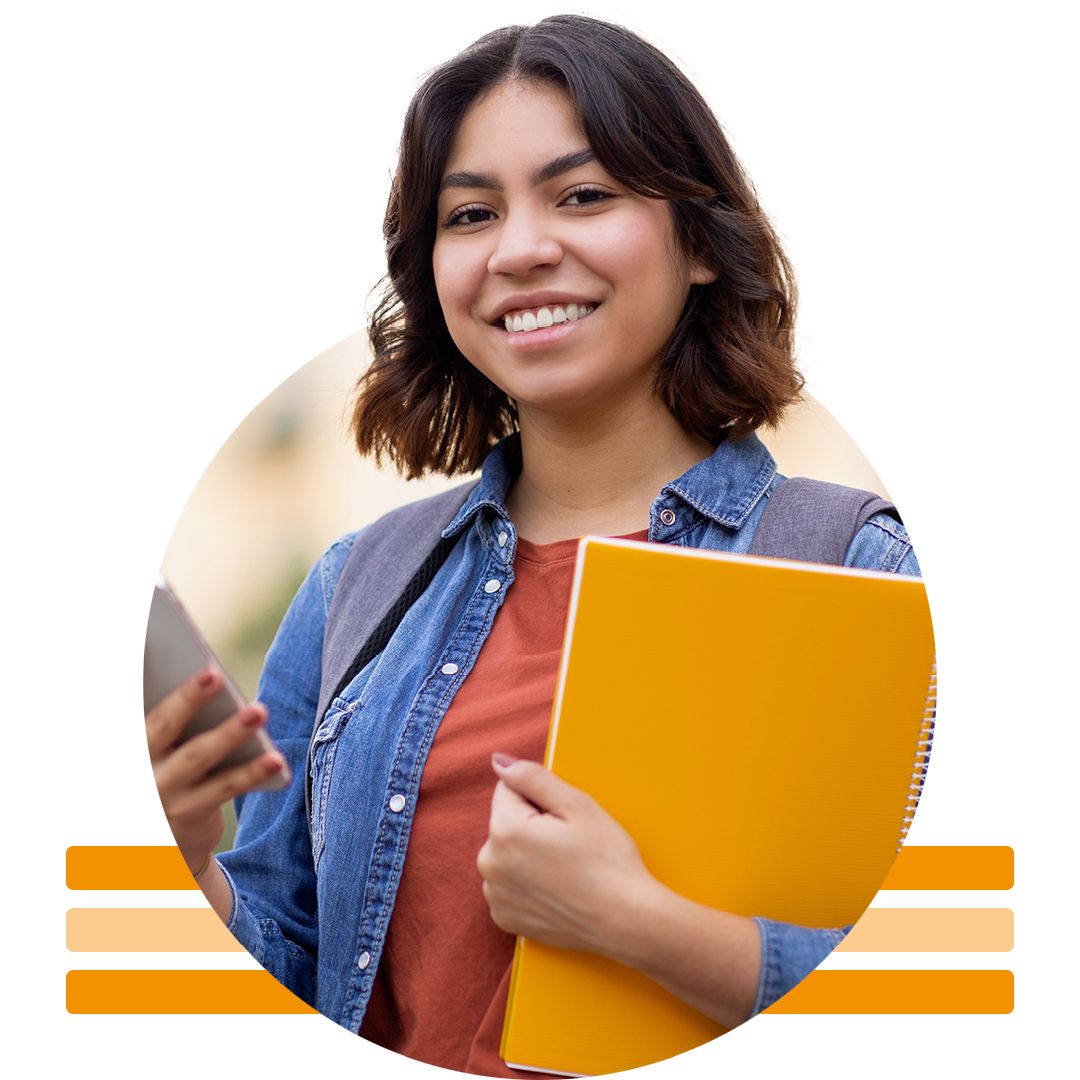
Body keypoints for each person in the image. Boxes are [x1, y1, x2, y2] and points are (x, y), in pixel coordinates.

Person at [144, 12, 918, 1073]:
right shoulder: (359, 585)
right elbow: (292, 973)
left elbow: (963, 994)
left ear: (699, 238)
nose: (520, 250)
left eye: (583, 195)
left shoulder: (860, 569)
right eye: (471, 213)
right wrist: (186, 871)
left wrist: (636, 923)